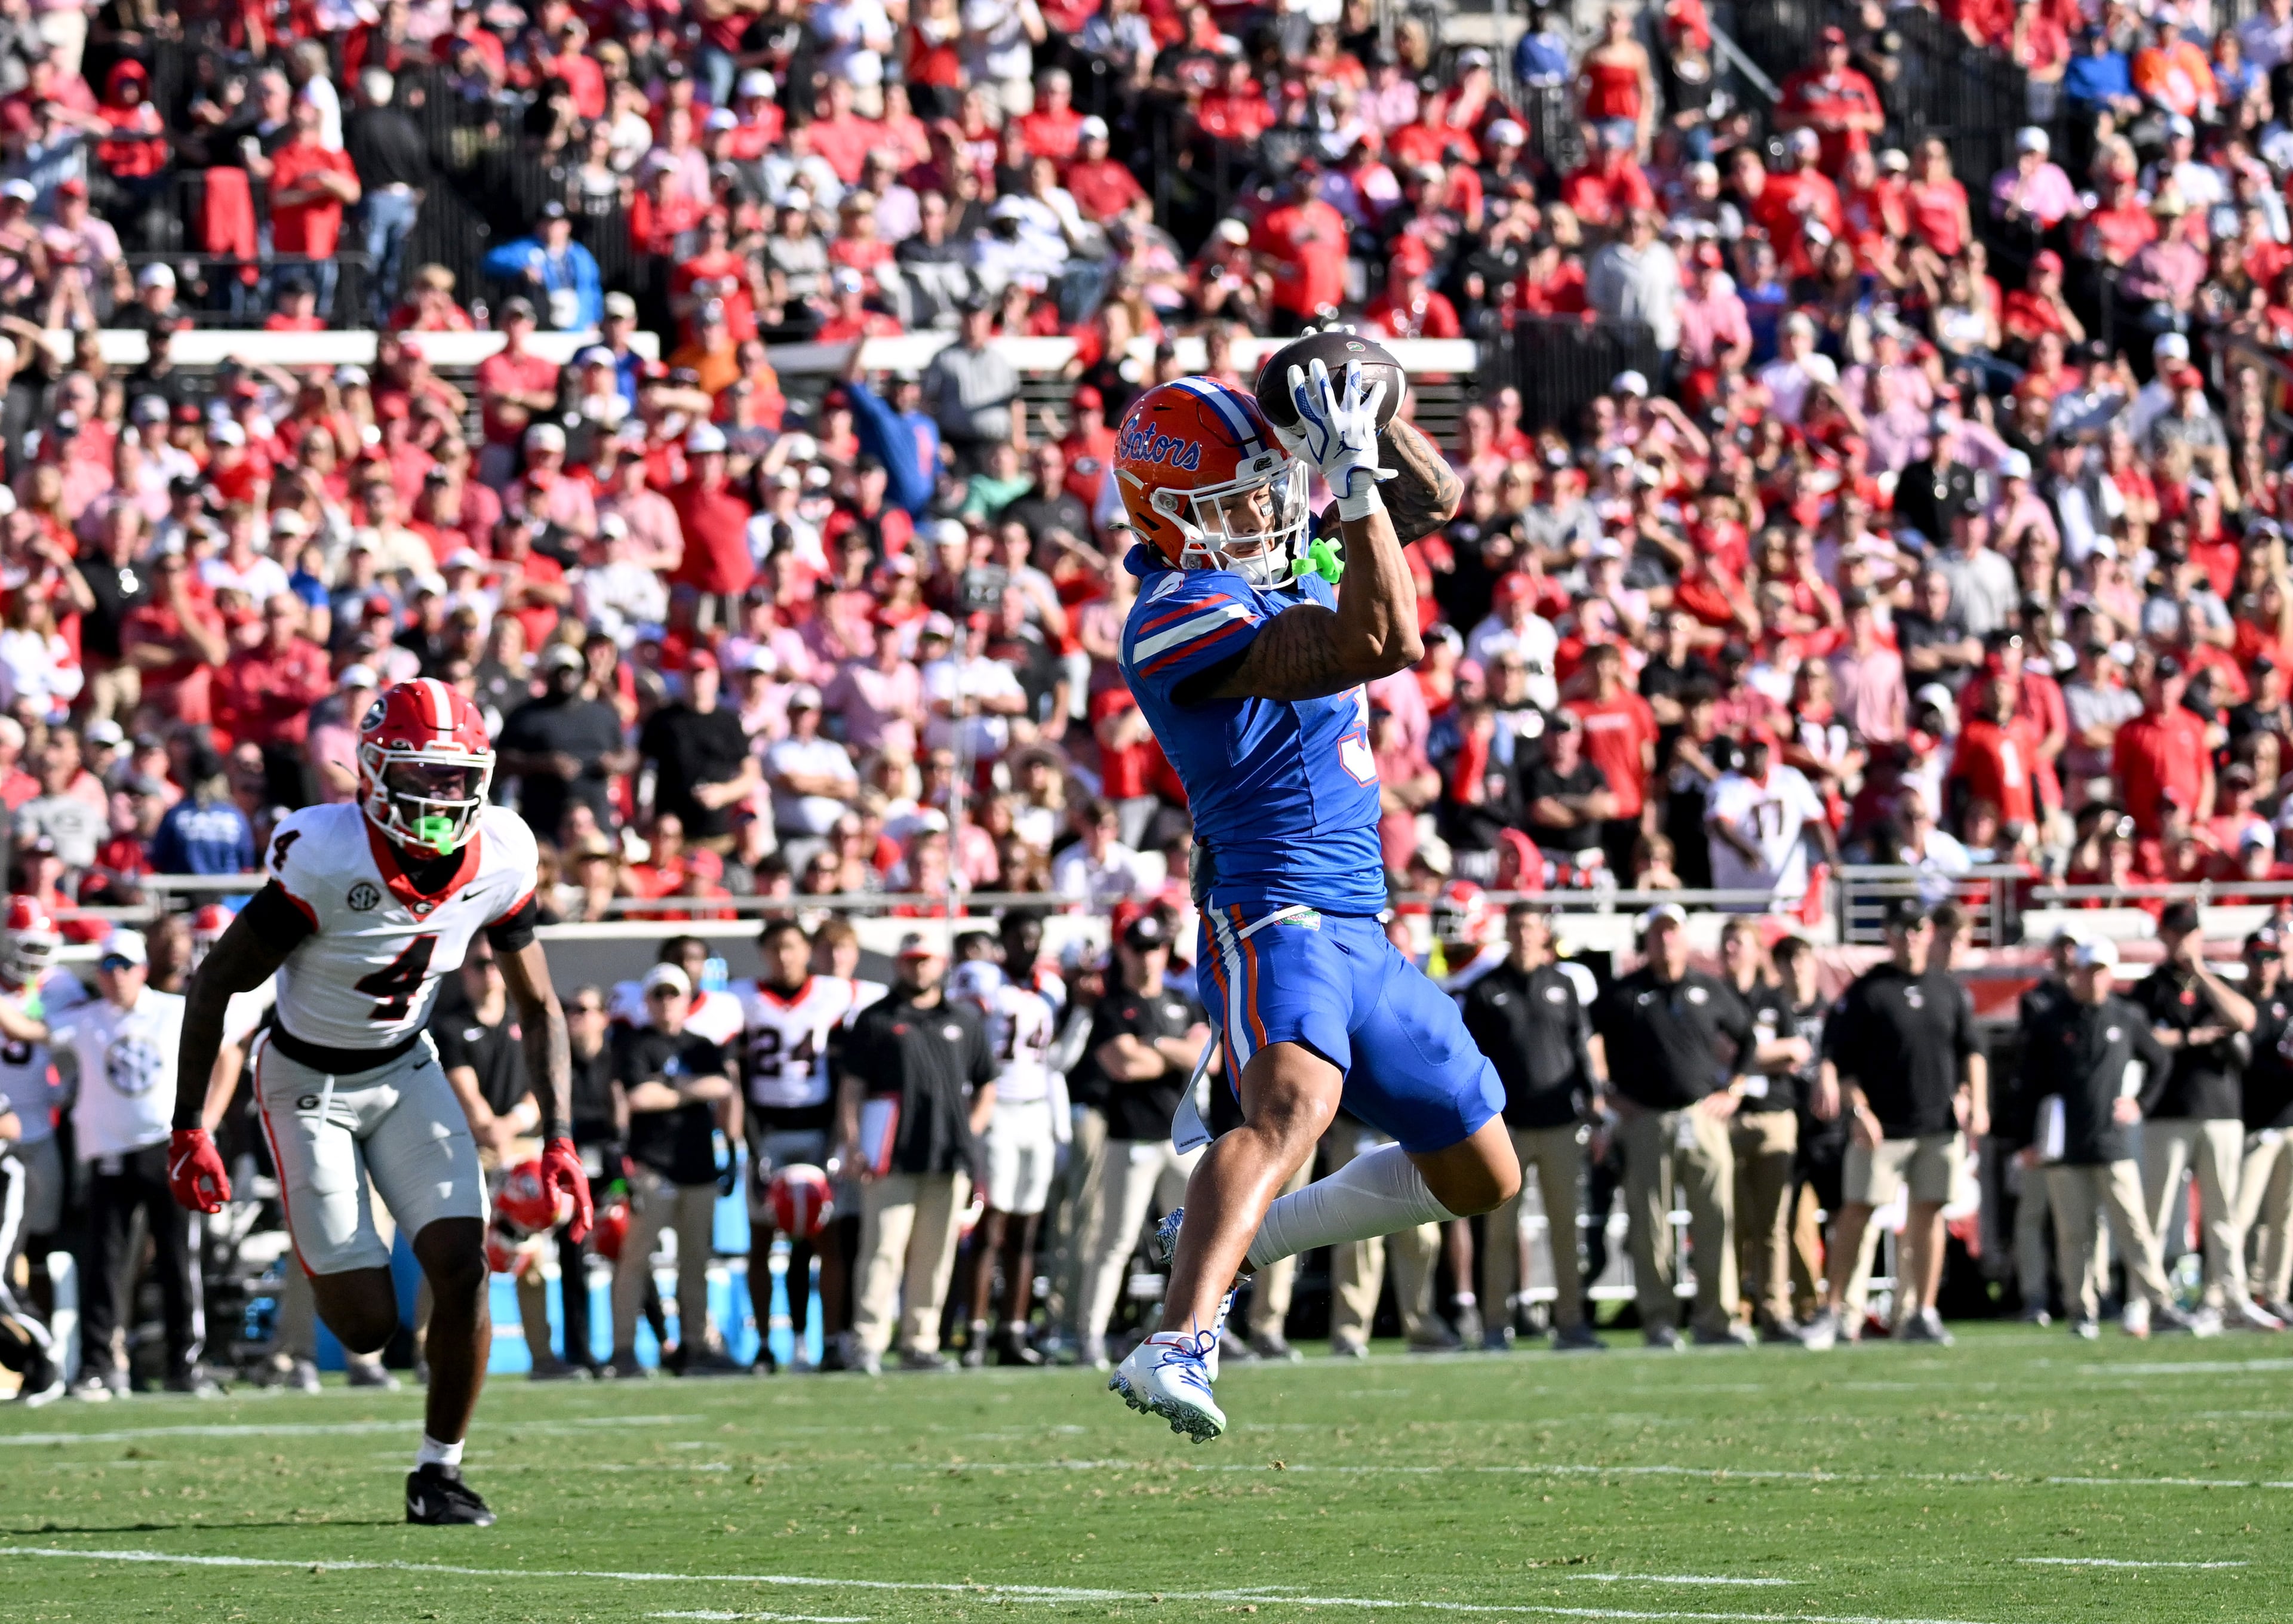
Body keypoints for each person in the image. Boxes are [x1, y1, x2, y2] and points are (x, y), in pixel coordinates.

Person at [1100, 358, 1509, 1441]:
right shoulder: (1177, 612)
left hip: (1363, 923)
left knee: (1481, 1173)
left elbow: (1434, 499)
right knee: (1292, 1108)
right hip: (1270, 910)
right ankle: (1175, 1339)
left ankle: (1256, 1233)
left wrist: (1364, 401)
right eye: (1235, 501)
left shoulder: (1282, 559)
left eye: (1270, 487)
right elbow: (1383, 640)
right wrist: (1357, 489)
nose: (1268, 511)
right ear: (1170, 518)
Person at [168, 681, 589, 1527]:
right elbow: (215, 982)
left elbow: (541, 1005)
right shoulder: (326, 850)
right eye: (421, 776)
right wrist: (188, 1126)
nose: (440, 797)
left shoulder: (503, 849)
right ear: (372, 772)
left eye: (453, 777)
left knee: (463, 1264)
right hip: (306, 1082)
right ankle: (334, 1260)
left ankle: (440, 1472)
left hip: (407, 1069)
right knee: (366, 1326)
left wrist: (563, 1138)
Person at [1802, 901, 1986, 1351]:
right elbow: (1840, 1060)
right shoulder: (1869, 990)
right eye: (1900, 928)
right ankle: (1834, 1310)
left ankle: (1922, 1310)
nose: (1910, 937)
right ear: (1886, 934)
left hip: (1936, 1123)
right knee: (1857, 1212)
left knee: (1929, 1214)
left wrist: (1977, 1101)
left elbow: (1972, 1050)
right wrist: (1859, 1111)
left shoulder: (1948, 989)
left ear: (1929, 932)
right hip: (1881, 1125)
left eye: (1917, 928)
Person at [2021, 938, 2218, 1339]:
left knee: (2134, 1227)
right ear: (2075, 972)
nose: (2092, 979)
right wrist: (2028, 1138)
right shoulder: (2052, 1020)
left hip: (2113, 1143)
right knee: (2074, 1232)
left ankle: (2159, 1304)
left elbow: (2160, 1061)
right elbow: (2029, 1085)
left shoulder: (2124, 1016)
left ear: (2110, 974)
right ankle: (2081, 1310)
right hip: (2066, 1144)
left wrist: (2140, 1104)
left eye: (2100, 971)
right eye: (2087, 970)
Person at [1591, 904, 1756, 1348]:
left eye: (1673, 932)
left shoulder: (1710, 989)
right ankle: (1659, 1319)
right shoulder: (1622, 993)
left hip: (1703, 1115)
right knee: (1651, 1227)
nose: (1666, 940)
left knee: (1715, 1220)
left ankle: (1717, 1318)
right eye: (1658, 932)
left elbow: (1748, 1037)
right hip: (1646, 1119)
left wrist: (1734, 1090)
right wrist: (1605, 1092)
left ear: (1684, 938)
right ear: (1646, 939)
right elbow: (1586, 1038)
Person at [59, 929, 210, 1397]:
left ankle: (185, 1365)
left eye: (124, 966)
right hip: (108, 1153)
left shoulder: (173, 1010)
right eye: (107, 967)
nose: (116, 976)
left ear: (142, 970)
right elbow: (31, 1032)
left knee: (176, 1262)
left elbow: (225, 1051)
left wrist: (208, 1118)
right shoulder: (84, 1021)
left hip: (164, 1148)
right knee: (104, 1264)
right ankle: (100, 1365)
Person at [837, 933, 995, 1375]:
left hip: (948, 1155)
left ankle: (920, 1342)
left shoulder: (963, 1020)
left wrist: (969, 1129)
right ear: (898, 964)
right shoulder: (876, 1020)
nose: (918, 968)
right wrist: (852, 1142)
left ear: (940, 963)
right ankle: (868, 1340)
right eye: (910, 961)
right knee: (881, 1250)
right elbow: (852, 1087)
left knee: (935, 1254)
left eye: (925, 960)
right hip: (891, 1155)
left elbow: (987, 1083)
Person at [1069, 913, 1212, 1368]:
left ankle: (1197, 1331)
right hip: (1130, 1137)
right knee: (1115, 1241)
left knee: (1198, 1241)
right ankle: (1089, 1334)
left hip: (1182, 1137)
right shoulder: (1113, 1006)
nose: (1147, 957)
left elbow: (1207, 1059)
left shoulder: (1182, 1001)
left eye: (1154, 948)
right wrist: (1174, 1051)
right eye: (1138, 948)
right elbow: (1123, 1065)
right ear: (1124, 952)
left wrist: (1153, 1045)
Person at [1459, 903, 1600, 1351]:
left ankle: (1571, 1323)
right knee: (1499, 1232)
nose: (1524, 935)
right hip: (1506, 1128)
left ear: (1544, 934)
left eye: (1531, 927)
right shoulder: (1486, 990)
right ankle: (1495, 1325)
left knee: (1565, 1227)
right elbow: (1470, 1061)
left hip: (1560, 1122)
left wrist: (1593, 1101)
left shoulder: (1564, 985)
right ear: (1507, 932)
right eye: (1516, 927)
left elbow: (1581, 1046)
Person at [2128, 902, 2272, 1326]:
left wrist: (2203, 973)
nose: (2184, 940)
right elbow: (2145, 1037)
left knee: (2224, 1213)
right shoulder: (2151, 987)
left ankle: (2231, 1296)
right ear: (2164, 936)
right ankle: (2146, 1297)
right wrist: (2193, 1036)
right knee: (2154, 1214)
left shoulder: (2219, 981)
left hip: (2220, 1111)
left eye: (2191, 932)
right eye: (2176, 932)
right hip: (2167, 1111)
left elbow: (2243, 1018)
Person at [732, 918, 859, 1373]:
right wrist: (751, 1142)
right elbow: (738, 1081)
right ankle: (765, 1344)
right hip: (768, 1131)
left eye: (791, 947)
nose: (784, 956)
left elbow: (847, 1068)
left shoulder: (833, 993)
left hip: (816, 1131)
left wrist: (837, 1140)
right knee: (762, 1241)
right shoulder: (743, 997)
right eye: (774, 948)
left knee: (829, 1241)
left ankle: (828, 1343)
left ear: (807, 950)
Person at [610, 961, 741, 1377]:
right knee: (634, 1260)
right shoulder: (634, 1044)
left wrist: (668, 1088)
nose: (667, 1003)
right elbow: (638, 1098)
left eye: (674, 995)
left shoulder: (701, 1045)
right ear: (647, 1001)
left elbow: (722, 1087)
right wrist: (689, 1090)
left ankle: (695, 1346)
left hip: (699, 1165)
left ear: (688, 1000)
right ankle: (624, 1350)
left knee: (695, 1264)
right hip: (653, 1165)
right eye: (659, 995)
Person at [950, 954, 1062, 1366]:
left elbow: (1056, 1058)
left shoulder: (1052, 988)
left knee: (1027, 1229)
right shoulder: (984, 980)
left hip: (1037, 1108)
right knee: (990, 1225)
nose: (1026, 944)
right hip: (998, 1106)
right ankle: (976, 1330)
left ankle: (1013, 1330)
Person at [0, 899, 82, 1405]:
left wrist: (65, 1091)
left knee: (39, 1245)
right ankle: (25, 1358)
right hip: (7, 1128)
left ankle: (47, 1350)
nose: (31, 958)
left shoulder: (65, 989)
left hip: (39, 1132)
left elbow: (82, 1049)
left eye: (39, 949)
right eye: (24, 946)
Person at [1717, 919, 1814, 1341]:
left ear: (1758, 951)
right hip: (1726, 1117)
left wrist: (1743, 1056)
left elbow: (1796, 1052)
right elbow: (1707, 1054)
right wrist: (1759, 1057)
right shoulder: (1712, 993)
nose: (1732, 949)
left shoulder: (1772, 997)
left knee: (1775, 1223)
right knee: (1730, 1220)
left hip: (1774, 1115)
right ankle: (1735, 1312)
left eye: (1740, 941)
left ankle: (1776, 1311)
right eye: (1727, 942)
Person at [2234, 928, 2293, 1324]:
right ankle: (2233, 1292)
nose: (2265, 965)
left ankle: (2274, 1292)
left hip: (2288, 1121)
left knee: (2285, 1216)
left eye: (2272, 957)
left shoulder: (2289, 1002)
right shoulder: (2235, 1002)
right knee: (2240, 1215)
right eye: (2258, 956)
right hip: (2251, 1122)